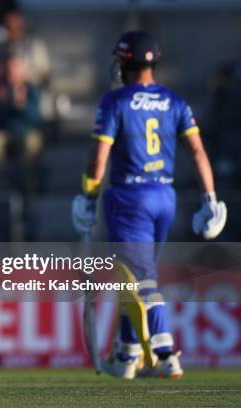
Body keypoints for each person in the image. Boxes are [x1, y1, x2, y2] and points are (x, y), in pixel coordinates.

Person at [72, 31, 227, 380]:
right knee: (136, 279)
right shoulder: (175, 101)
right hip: (164, 198)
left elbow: (99, 158)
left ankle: (164, 352)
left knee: (140, 280)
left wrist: (87, 197)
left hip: (129, 198)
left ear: (125, 62)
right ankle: (127, 357)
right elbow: (199, 152)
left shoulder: (115, 101)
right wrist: (210, 198)